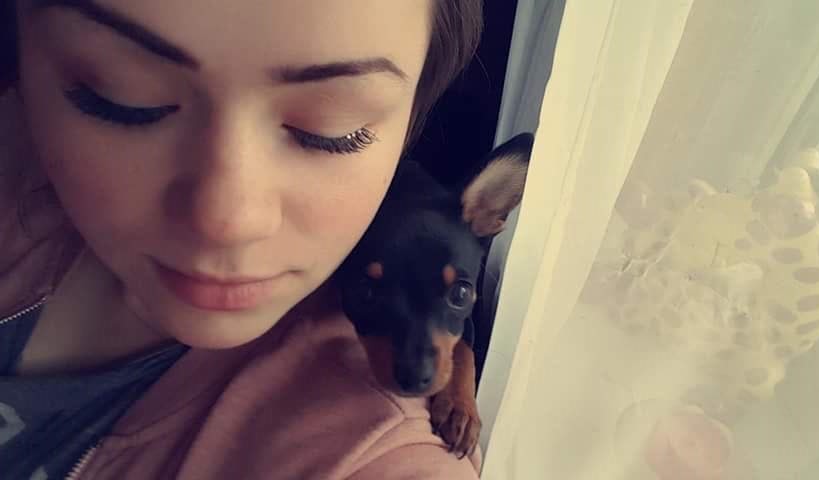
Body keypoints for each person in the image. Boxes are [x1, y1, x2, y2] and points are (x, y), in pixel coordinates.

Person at [0, 0, 485, 478]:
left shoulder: (384, 456)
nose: (227, 223)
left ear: (412, 120)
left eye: (331, 129)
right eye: (125, 96)